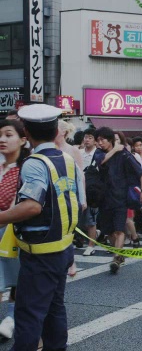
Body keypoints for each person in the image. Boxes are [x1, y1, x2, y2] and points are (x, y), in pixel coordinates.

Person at [0, 104, 84, 350]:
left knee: (29, 314)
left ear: (26, 132)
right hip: (63, 247)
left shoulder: (35, 163)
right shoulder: (66, 159)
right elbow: (79, 201)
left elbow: (32, 207)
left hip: (41, 252)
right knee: (54, 309)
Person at [95, 127, 142, 274]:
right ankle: (118, 253)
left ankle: (116, 258)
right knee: (108, 231)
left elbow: (140, 172)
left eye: (102, 139)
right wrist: (115, 150)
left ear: (110, 139)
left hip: (120, 197)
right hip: (104, 198)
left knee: (119, 229)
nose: (100, 143)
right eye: (98, 140)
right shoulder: (99, 153)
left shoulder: (124, 154)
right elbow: (101, 162)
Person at [0, 119, 29, 339]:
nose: (2, 140)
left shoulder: (27, 168)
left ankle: (11, 318)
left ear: (23, 139)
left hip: (12, 233)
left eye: (8, 135)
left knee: (16, 280)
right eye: (0, 135)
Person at [80, 128, 104, 256]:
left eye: (90, 137)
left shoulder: (98, 154)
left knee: (90, 220)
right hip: (78, 189)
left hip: (91, 191)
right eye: (85, 137)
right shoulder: (78, 152)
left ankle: (91, 245)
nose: (87, 140)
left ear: (95, 141)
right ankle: (95, 234)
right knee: (80, 221)